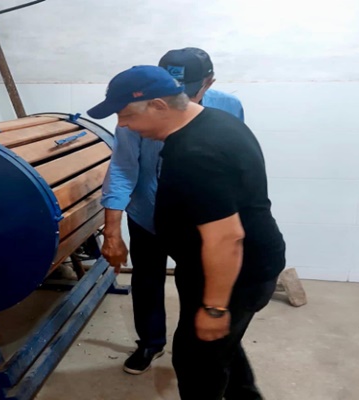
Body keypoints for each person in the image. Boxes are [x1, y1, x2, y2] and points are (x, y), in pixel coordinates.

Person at [88, 65, 285, 399]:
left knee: (197, 363)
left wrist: (214, 308)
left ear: (159, 106)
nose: (122, 125)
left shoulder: (196, 152)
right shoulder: (216, 123)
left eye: (126, 115)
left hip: (235, 275)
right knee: (224, 346)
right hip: (224, 267)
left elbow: (226, 237)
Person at [100, 47, 245, 375]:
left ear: (208, 82)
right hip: (148, 213)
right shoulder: (139, 111)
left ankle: (197, 344)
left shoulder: (228, 108)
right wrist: (112, 232)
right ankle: (150, 342)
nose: (178, 99)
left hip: (198, 220)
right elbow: (123, 167)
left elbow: (231, 167)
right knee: (147, 281)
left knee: (195, 284)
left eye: (188, 90)